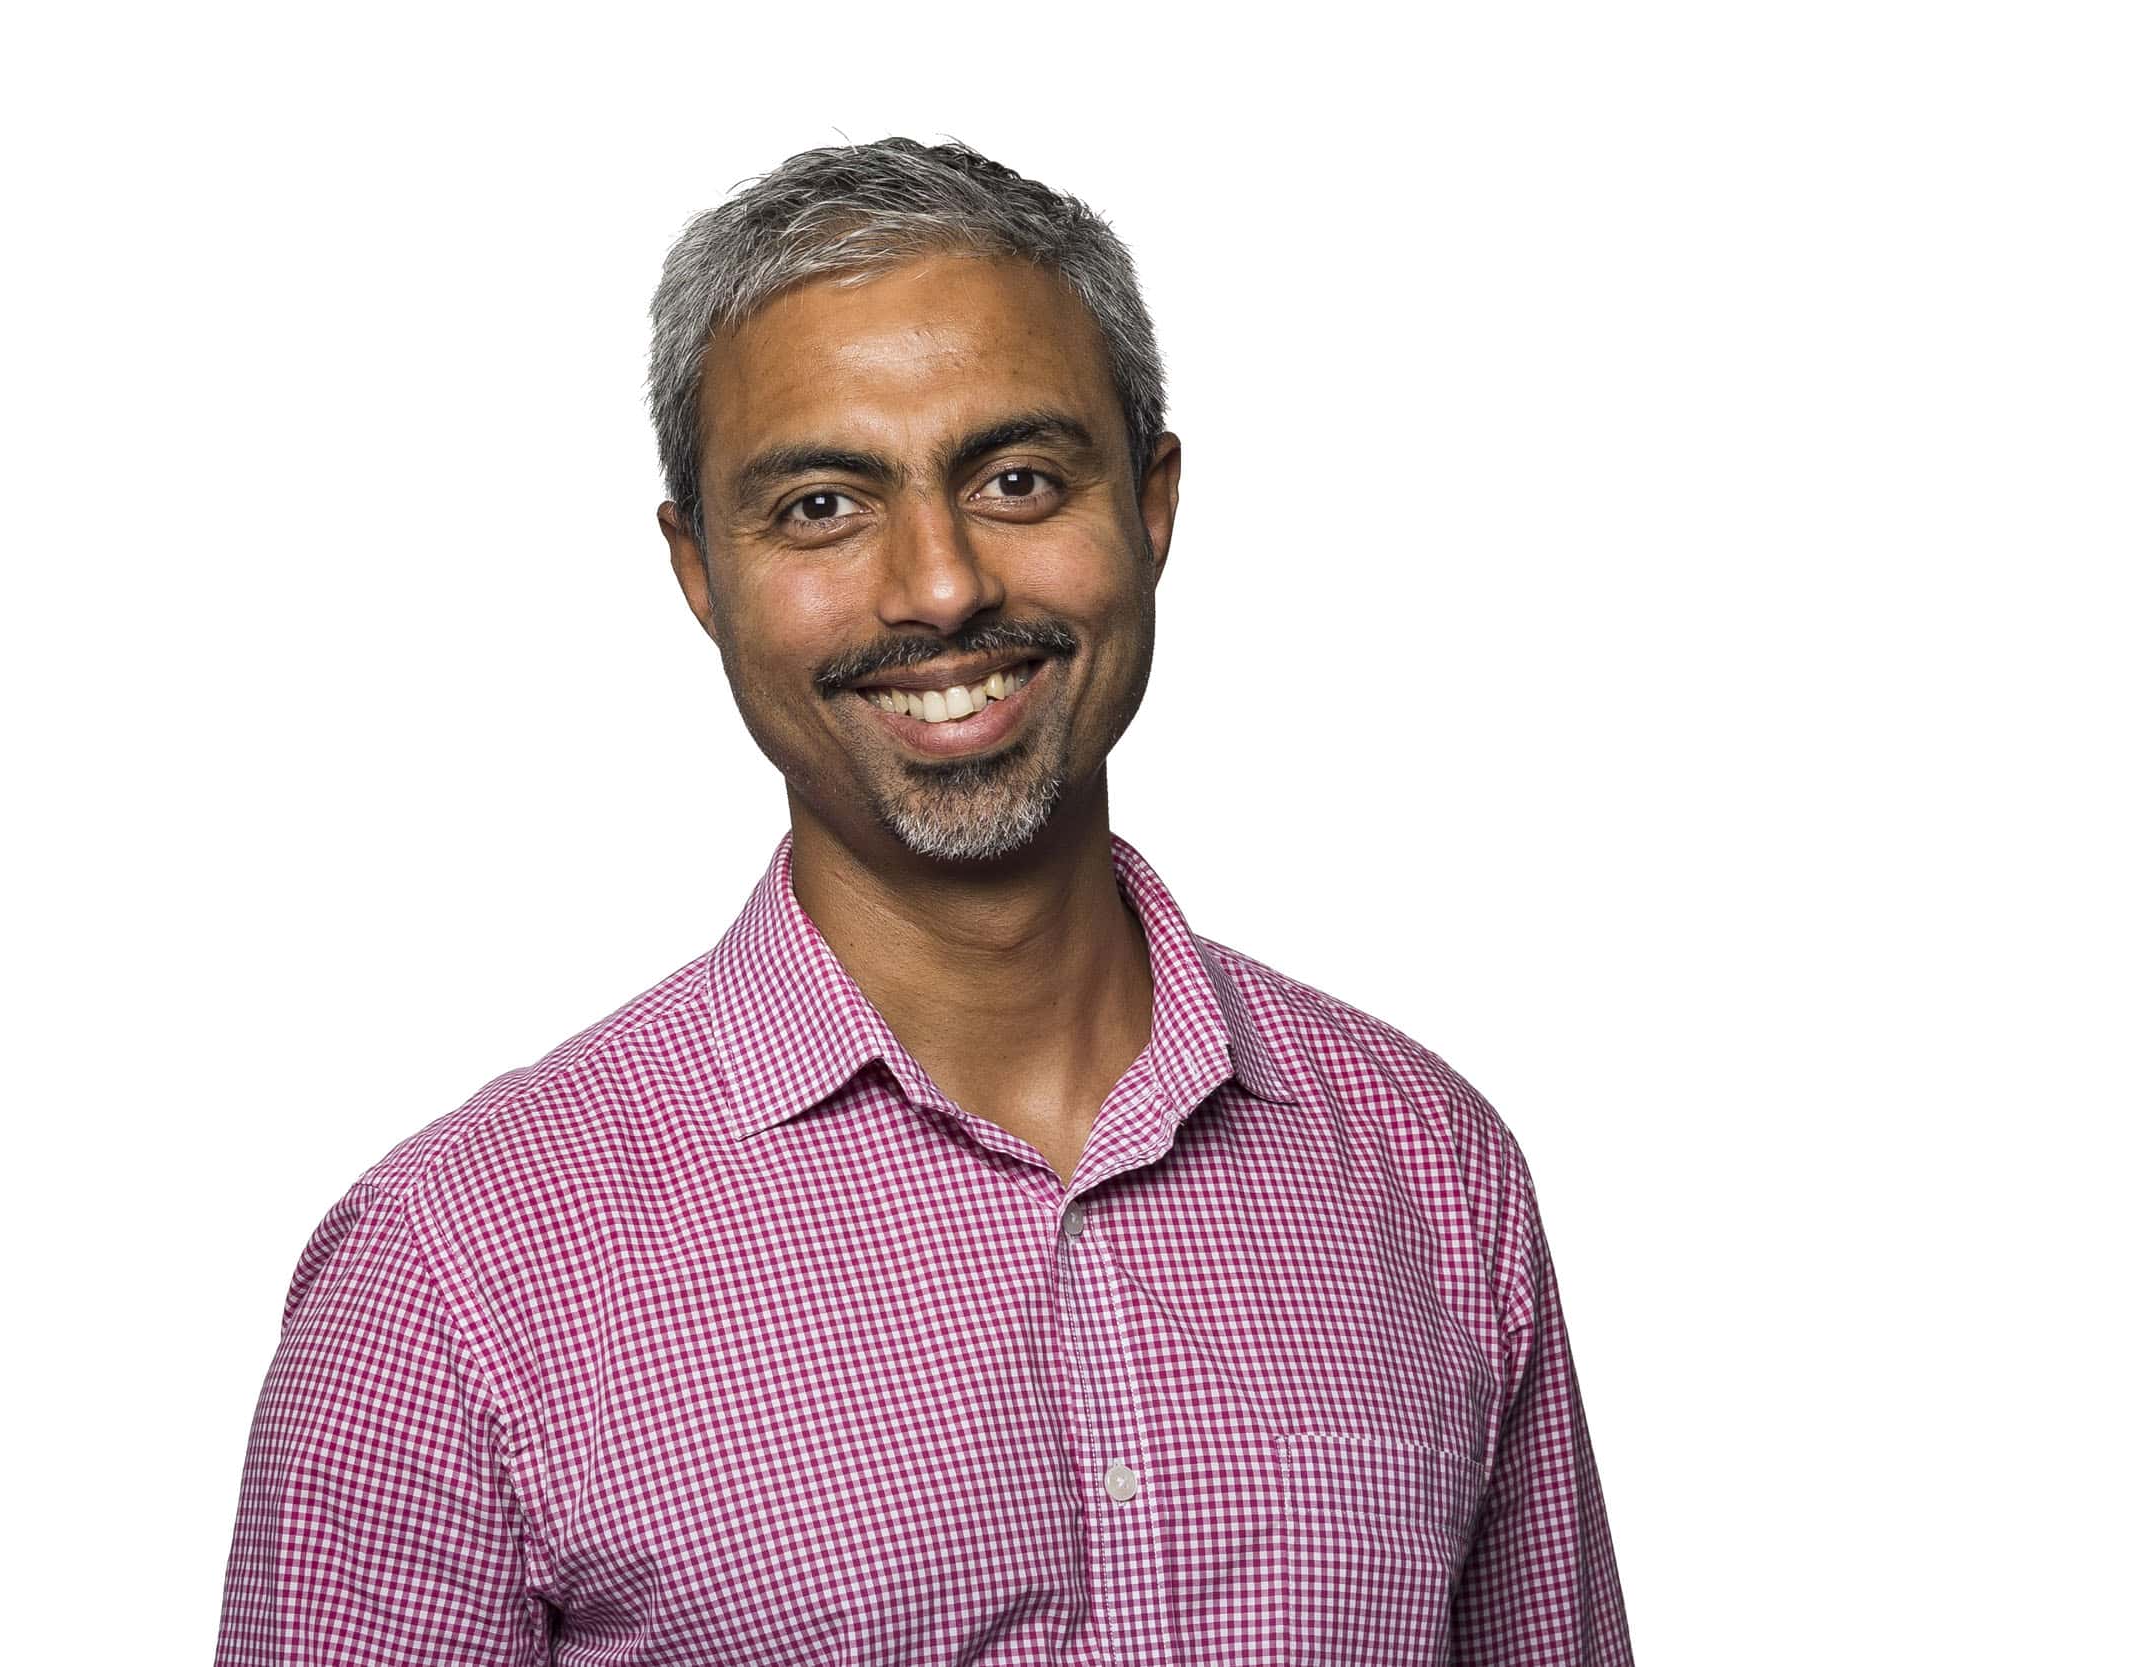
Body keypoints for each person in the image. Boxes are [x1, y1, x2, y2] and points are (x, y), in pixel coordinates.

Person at [214, 136, 1634, 1665]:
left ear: (1151, 505)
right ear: (699, 571)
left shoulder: (1430, 1170)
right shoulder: (454, 1277)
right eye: (823, 506)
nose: (942, 586)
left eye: (1017, 479)